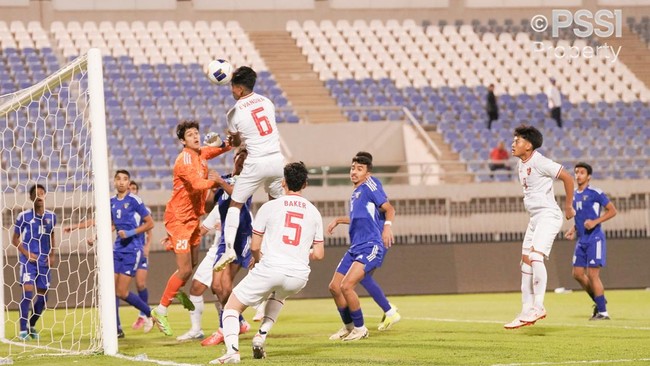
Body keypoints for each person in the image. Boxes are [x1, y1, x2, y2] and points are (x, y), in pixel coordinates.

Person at [209, 162, 324, 364]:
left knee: (231, 307)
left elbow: (255, 246)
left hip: (271, 267)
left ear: (283, 183)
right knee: (279, 296)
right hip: (298, 276)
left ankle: (232, 352)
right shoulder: (314, 212)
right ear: (305, 184)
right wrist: (300, 254)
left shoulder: (269, 207)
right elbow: (319, 254)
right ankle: (261, 335)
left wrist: (260, 260)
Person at [151, 121, 231, 336]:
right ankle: (160, 310)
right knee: (185, 269)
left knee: (191, 265)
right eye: (190, 134)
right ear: (182, 141)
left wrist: (227, 140)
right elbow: (197, 184)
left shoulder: (200, 155)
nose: (195, 136)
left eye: (197, 133)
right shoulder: (184, 159)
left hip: (193, 219)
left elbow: (222, 148)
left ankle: (175, 289)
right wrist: (218, 182)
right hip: (179, 219)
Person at [175, 148, 253, 343]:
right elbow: (209, 207)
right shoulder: (224, 178)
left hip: (240, 237)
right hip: (225, 238)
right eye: (240, 157)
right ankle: (237, 322)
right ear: (234, 159)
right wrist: (210, 187)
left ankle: (225, 327)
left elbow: (238, 198)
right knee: (217, 287)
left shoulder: (249, 179)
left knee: (223, 284)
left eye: (246, 158)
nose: (242, 161)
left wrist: (219, 182)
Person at [65, 170, 156, 338]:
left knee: (122, 291)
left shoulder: (135, 200)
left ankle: (149, 313)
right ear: (114, 182)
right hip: (117, 249)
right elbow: (110, 224)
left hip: (133, 250)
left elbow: (150, 223)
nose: (121, 182)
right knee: (110, 289)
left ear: (129, 183)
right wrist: (95, 237)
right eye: (118, 179)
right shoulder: (112, 202)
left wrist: (130, 233)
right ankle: (116, 328)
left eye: (125, 179)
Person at [213, 66, 284, 272]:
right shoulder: (267, 102)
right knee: (275, 204)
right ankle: (275, 247)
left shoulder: (233, 113)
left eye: (233, 87)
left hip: (256, 161)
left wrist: (232, 138)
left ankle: (228, 250)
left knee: (235, 204)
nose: (232, 91)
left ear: (241, 90)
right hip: (277, 160)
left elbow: (235, 143)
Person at [504, 125, 574, 330]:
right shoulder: (521, 163)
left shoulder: (540, 161)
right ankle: (526, 311)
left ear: (529, 145)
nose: (513, 144)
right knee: (525, 264)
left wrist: (568, 205)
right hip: (535, 219)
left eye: (517, 141)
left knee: (535, 257)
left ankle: (539, 306)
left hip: (548, 216)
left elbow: (567, 178)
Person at [327, 153, 396, 341]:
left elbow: (389, 208)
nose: (354, 172)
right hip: (355, 247)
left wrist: (387, 228)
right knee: (334, 287)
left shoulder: (370, 184)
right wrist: (339, 220)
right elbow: (360, 219)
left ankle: (361, 328)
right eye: (352, 168)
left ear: (367, 172)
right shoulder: (356, 192)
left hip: (370, 245)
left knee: (347, 286)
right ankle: (349, 327)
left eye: (359, 169)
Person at [564, 162, 617, 320]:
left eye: (581, 172)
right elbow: (579, 216)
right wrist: (573, 228)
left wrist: (595, 222)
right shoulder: (573, 195)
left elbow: (612, 210)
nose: (578, 175)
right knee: (577, 274)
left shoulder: (595, 192)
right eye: (576, 172)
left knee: (593, 275)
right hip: (582, 240)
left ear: (589, 176)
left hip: (595, 238)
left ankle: (603, 312)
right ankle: (599, 301)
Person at [12, 184, 57, 340]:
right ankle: (23, 330)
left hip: (44, 260)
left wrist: (52, 255)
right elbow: (15, 239)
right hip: (28, 261)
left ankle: (31, 324)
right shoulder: (23, 216)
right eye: (36, 194)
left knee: (43, 298)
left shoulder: (52, 216)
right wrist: (26, 253)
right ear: (31, 198)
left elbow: (52, 235)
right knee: (27, 292)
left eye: (42, 193)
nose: (39, 196)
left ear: (45, 196)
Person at [128, 181, 153, 330]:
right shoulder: (123, 209)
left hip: (140, 250)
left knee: (140, 284)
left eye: (134, 188)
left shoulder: (144, 209)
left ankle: (143, 315)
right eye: (130, 189)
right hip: (126, 251)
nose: (131, 191)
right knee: (121, 288)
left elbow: (150, 231)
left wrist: (147, 246)